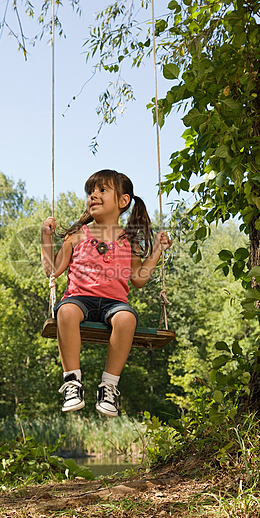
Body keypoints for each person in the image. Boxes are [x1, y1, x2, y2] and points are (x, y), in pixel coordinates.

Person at [41, 169, 172, 417]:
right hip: (78, 299)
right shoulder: (77, 234)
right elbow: (53, 270)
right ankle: (71, 382)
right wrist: (45, 237)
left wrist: (156, 251)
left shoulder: (129, 240)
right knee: (66, 311)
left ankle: (109, 386)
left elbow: (138, 279)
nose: (94, 195)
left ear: (123, 201)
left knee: (127, 318)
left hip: (114, 304)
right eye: (91, 191)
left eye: (102, 190)